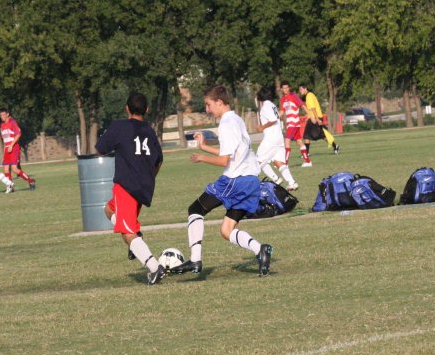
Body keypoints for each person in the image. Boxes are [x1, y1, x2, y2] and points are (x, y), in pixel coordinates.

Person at [170, 85, 273, 277]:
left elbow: (225, 161)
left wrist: (202, 158)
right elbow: (232, 154)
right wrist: (204, 147)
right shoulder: (237, 120)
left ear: (219, 102)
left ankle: (195, 259)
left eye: (208, 105)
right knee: (226, 230)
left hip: (235, 180)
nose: (207, 110)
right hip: (251, 180)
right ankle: (261, 250)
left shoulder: (226, 123)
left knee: (195, 209)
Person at [95, 93, 167, 285]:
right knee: (108, 210)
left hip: (126, 186)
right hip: (143, 187)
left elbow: (100, 148)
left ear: (127, 108)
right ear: (147, 109)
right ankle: (137, 239)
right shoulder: (150, 131)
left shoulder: (119, 126)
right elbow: (159, 160)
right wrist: (148, 177)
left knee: (127, 233)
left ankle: (154, 267)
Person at [255, 86, 298, 191]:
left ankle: (276, 179)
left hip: (271, 139)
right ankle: (292, 183)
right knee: (278, 162)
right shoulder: (272, 105)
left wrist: (262, 127)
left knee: (258, 161)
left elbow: (273, 119)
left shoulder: (265, 107)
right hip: (279, 138)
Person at [0, 109, 36, 190]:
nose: (2, 117)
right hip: (7, 148)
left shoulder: (12, 122)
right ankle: (10, 187)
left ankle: (31, 181)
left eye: (3, 115)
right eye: (1, 115)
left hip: (14, 147)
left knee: (14, 169)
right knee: (5, 168)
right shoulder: (2, 125)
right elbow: (5, 139)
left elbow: (18, 134)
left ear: (7, 114)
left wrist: (11, 145)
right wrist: (5, 148)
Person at [298, 84, 340, 155]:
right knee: (321, 135)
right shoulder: (309, 95)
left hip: (314, 118)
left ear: (305, 88)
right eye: (299, 90)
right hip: (314, 117)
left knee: (306, 135)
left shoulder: (309, 96)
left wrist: (317, 119)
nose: (300, 91)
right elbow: (311, 109)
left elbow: (313, 108)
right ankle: (335, 146)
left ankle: (306, 153)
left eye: (301, 89)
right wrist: (308, 116)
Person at [279, 81, 312, 167]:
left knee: (287, 141)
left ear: (289, 88)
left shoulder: (293, 96)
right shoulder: (282, 99)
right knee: (299, 142)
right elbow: (282, 111)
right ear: (281, 89)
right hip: (291, 124)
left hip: (294, 123)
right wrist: (275, 118)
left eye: (287, 88)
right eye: (284, 88)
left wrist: (309, 114)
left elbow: (302, 105)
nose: (285, 89)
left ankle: (285, 164)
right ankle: (308, 162)